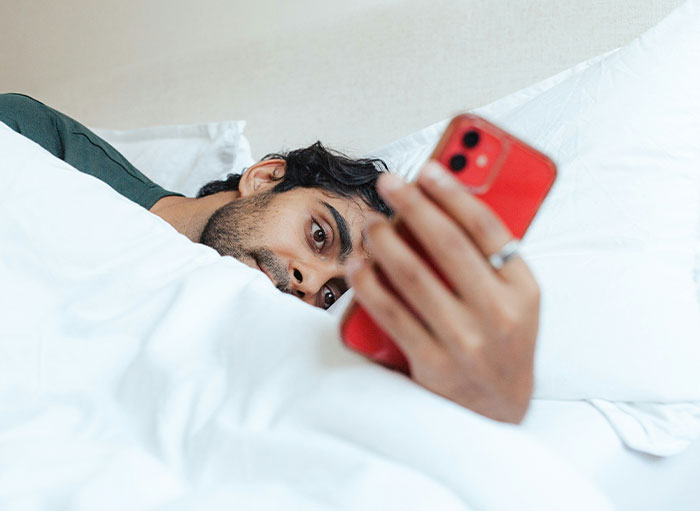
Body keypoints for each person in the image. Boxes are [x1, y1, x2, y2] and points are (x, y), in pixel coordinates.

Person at [1, 92, 540, 423]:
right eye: (320, 236)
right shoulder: (42, 142)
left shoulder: (236, 344)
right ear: (265, 178)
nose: (309, 282)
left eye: (331, 294)